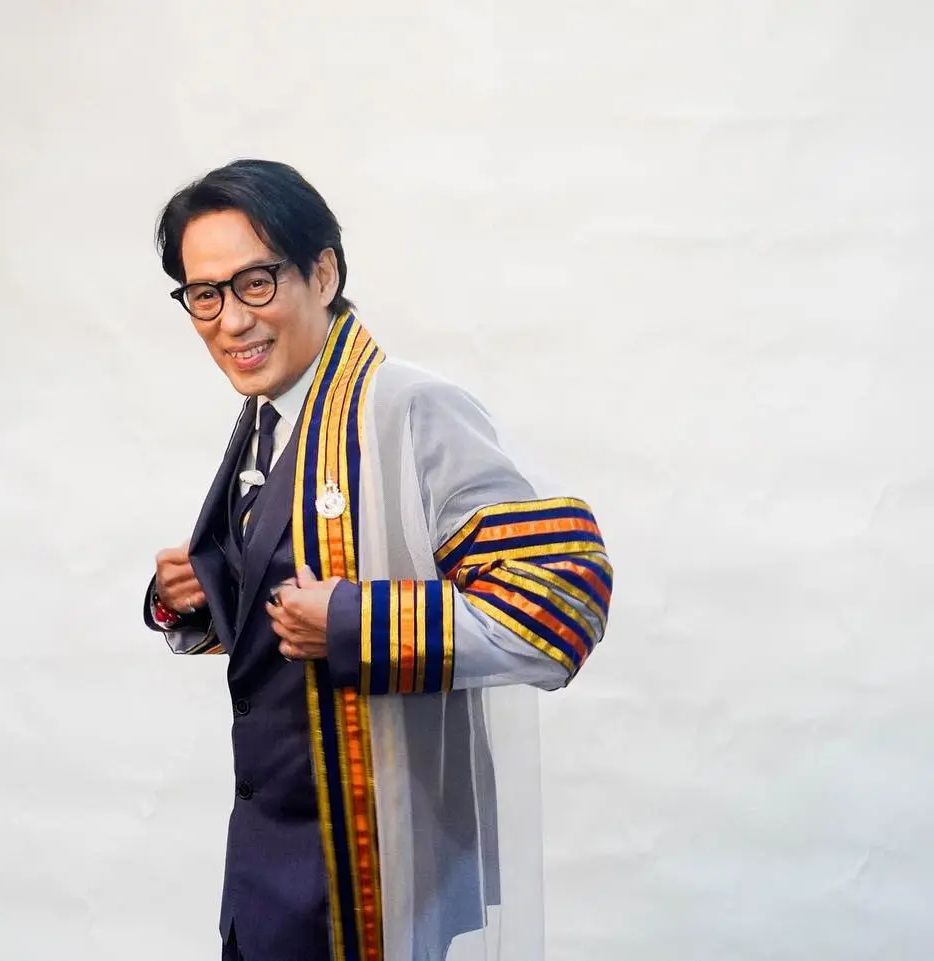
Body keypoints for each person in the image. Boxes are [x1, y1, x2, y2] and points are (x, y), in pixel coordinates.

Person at [142, 159, 612, 961]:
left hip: (374, 859)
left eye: (255, 282)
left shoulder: (407, 406)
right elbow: (286, 605)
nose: (231, 320)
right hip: (265, 867)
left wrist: (353, 621)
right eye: (204, 295)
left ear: (323, 272)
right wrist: (196, 593)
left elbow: (562, 599)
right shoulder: (270, 416)